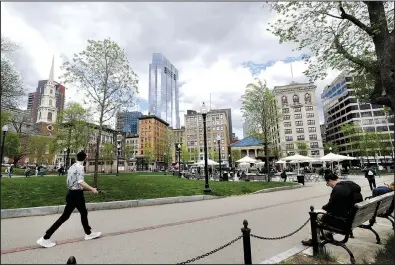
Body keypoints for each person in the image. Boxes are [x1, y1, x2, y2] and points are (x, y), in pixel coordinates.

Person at [37, 151, 101, 248]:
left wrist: (87, 190)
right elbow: (80, 181)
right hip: (76, 195)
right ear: (85, 158)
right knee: (66, 216)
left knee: (83, 213)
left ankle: (88, 233)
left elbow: (72, 183)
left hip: (72, 193)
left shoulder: (73, 166)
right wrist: (92, 188)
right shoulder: (80, 167)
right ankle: (45, 238)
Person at [301, 173, 363, 246]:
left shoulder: (337, 189)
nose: (329, 185)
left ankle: (313, 240)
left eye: (328, 183)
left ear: (330, 181)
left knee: (314, 214)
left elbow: (331, 206)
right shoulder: (351, 185)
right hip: (354, 218)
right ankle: (327, 234)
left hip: (343, 222)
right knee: (329, 213)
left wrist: (323, 207)